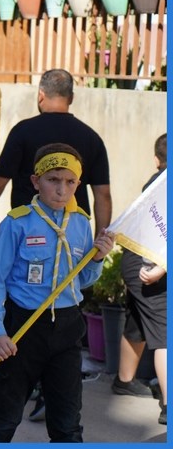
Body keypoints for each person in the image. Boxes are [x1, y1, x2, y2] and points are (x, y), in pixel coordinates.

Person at [0, 143, 114, 442]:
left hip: (67, 329)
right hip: (24, 328)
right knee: (6, 418)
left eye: (70, 182)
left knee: (67, 425)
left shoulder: (81, 223)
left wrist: (98, 259)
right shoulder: (17, 223)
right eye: (53, 180)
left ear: (78, 184)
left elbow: (82, 281)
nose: (62, 190)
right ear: (36, 181)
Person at [0, 68, 112, 235]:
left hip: (29, 229)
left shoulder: (23, 132)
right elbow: (103, 195)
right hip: (73, 231)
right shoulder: (91, 138)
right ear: (71, 98)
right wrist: (99, 241)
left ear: (40, 95)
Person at [112, 133, 167, 425]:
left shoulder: (155, 182)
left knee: (138, 320)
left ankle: (124, 380)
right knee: (165, 331)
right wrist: (162, 267)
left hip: (135, 259)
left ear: (157, 160)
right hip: (151, 264)